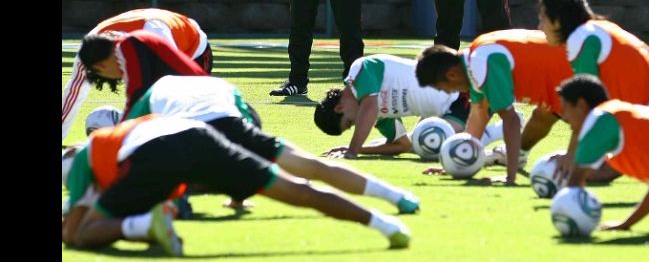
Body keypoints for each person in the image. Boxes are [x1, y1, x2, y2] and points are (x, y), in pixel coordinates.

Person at [61, 115, 412, 256]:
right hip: (198, 135)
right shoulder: (113, 141)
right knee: (297, 191)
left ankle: (146, 224)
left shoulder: (82, 160)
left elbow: (72, 231)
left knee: (79, 236)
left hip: (154, 153)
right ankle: (385, 225)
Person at [119, 74, 419, 214]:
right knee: (312, 169)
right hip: (229, 123)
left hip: (183, 140)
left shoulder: (155, 91)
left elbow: (128, 135)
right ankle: (396, 201)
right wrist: (238, 198)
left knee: (179, 166)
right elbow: (243, 126)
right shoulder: (220, 86)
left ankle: (174, 198)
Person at [536, 0, 649, 180]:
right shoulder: (597, 29)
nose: (540, 27)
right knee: (604, 167)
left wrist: (573, 155)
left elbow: (586, 105)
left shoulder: (580, 38)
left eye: (542, 19)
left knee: (600, 171)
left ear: (557, 21)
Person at [415, 29, 573, 185]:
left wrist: (510, 178)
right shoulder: (473, 60)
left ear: (451, 75)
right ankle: (519, 156)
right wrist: (458, 163)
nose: (448, 92)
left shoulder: (482, 64)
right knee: (542, 117)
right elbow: (479, 114)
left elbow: (511, 120)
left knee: (588, 168)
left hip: (577, 75)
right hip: (566, 73)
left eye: (443, 88)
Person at [558, 74, 649, 237]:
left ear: (581, 105)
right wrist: (626, 224)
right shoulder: (617, 117)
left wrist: (568, 214)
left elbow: (574, 182)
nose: (564, 117)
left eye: (565, 108)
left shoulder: (600, 120)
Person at [313, 54, 503, 158]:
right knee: (422, 144)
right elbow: (403, 145)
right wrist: (360, 149)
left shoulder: (361, 69)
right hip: (442, 112)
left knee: (433, 145)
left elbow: (370, 107)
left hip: (461, 92)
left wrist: (352, 150)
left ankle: (499, 131)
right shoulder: (375, 116)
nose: (356, 124)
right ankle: (495, 146)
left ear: (339, 108)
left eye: (349, 123)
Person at [62, 8, 212, 140]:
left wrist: (124, 136)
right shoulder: (89, 49)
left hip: (192, 47)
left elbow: (164, 87)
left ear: (104, 63)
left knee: (184, 104)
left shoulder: (154, 35)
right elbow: (74, 92)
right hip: (150, 27)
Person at [77, 30, 208, 119]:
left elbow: (137, 95)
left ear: (99, 66)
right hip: (205, 102)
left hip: (204, 105)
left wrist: (115, 136)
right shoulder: (139, 43)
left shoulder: (127, 44)